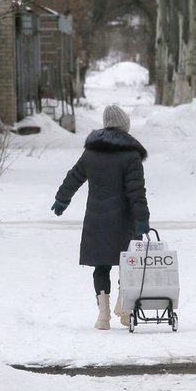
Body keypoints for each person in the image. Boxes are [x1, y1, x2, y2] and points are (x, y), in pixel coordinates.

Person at [52, 104, 151, 330]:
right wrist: (142, 219)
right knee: (128, 265)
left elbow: (74, 176)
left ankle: (103, 315)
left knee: (101, 266)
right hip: (125, 220)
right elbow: (136, 191)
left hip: (97, 219)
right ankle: (125, 311)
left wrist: (62, 199)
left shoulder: (92, 152)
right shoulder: (130, 154)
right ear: (125, 126)